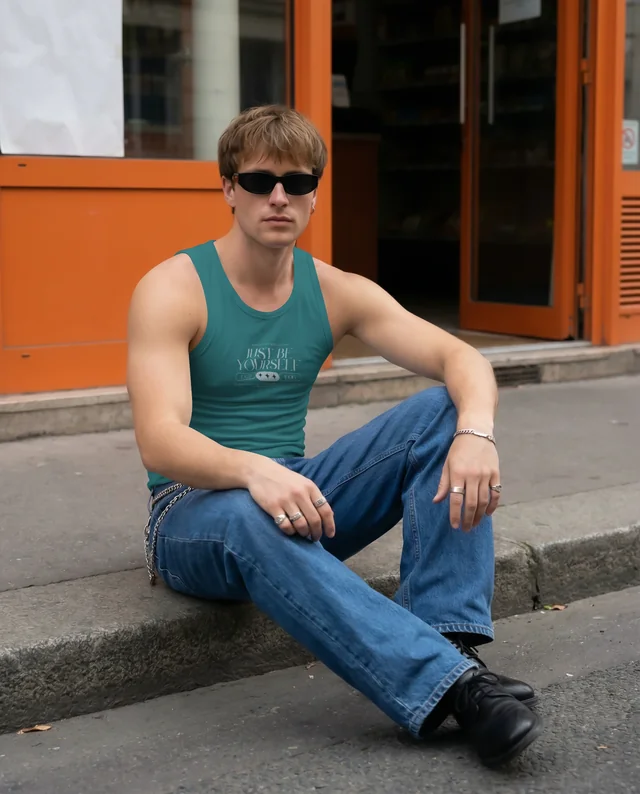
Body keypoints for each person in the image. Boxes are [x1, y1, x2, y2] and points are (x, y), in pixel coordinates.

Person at [126, 104, 542, 768]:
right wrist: (252, 472)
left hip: (298, 490)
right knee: (243, 509)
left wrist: (477, 432)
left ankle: (447, 645)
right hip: (194, 511)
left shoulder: (334, 289)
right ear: (228, 188)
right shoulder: (175, 288)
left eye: (297, 182)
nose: (279, 198)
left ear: (317, 193)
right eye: (260, 182)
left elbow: (462, 360)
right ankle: (449, 689)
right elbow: (160, 440)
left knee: (442, 410)